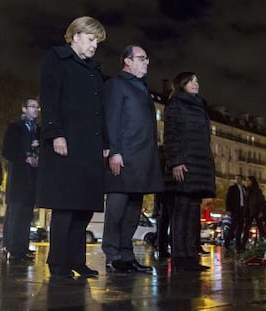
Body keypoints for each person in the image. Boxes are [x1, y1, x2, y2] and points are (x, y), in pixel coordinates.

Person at [36, 16, 108, 279]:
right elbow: (50, 97)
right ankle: (58, 263)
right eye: (91, 39)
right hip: (66, 143)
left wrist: (106, 144)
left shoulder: (94, 69)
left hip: (90, 147)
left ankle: (77, 260)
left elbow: (101, 111)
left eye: (97, 42)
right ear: (76, 35)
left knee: (84, 206)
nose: (94, 46)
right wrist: (55, 134)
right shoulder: (57, 58)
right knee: (65, 206)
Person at [102, 45, 164, 273]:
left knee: (133, 212)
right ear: (127, 61)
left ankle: (127, 256)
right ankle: (112, 254)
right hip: (124, 156)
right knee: (117, 208)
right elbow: (112, 118)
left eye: (147, 58)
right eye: (142, 58)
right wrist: (114, 150)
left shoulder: (142, 88)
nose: (146, 62)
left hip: (142, 157)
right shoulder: (116, 84)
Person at [163, 72, 216, 271]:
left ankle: (191, 256)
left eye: (197, 80)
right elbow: (171, 135)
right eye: (192, 80)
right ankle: (179, 256)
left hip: (199, 165)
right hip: (184, 164)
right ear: (182, 84)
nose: (196, 83)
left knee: (193, 212)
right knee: (181, 211)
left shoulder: (200, 107)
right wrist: (175, 161)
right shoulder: (175, 106)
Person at [2, 99, 40, 262]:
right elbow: (7, 151)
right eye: (32, 106)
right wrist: (25, 158)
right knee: (15, 214)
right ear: (24, 108)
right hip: (18, 177)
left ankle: (23, 247)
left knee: (27, 214)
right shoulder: (14, 128)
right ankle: (12, 247)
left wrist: (38, 157)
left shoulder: (39, 129)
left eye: (37, 107)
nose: (35, 110)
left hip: (32, 179)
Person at [240, 176, 266, 251]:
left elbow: (261, 201)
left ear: (252, 182)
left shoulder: (257, 191)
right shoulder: (247, 190)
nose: (247, 182)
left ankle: (264, 243)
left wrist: (261, 211)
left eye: (248, 181)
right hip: (249, 211)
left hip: (256, 210)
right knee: (246, 229)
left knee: (260, 228)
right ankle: (242, 245)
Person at [224, 175, 246, 250]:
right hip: (235, 209)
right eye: (236, 179)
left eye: (239, 179)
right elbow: (228, 199)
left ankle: (238, 244)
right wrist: (228, 209)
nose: (238, 180)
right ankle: (227, 242)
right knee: (233, 226)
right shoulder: (232, 188)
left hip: (242, 209)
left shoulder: (244, 188)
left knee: (240, 227)